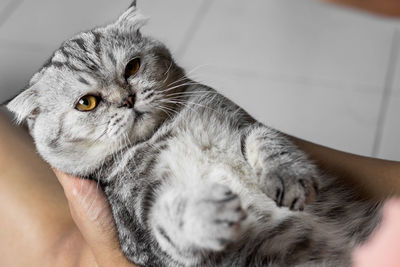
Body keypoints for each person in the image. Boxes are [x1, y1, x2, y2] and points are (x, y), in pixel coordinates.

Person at [0, 0, 399, 266]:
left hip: (357, 228)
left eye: (132, 69)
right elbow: (162, 231)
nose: (123, 99)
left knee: (70, 251)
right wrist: (192, 221)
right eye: (88, 102)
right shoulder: (111, 173)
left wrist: (269, 153)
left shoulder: (188, 101)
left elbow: (250, 135)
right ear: (40, 122)